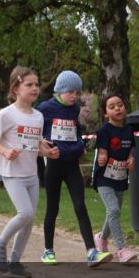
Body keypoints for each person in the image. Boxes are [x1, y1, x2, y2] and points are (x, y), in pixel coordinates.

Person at [0, 66, 53, 278]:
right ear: (16, 88)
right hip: (12, 173)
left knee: (29, 220)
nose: (35, 88)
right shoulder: (6, 114)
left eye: (36, 84)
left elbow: (35, 145)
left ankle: (15, 262)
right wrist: (5, 151)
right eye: (29, 84)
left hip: (31, 173)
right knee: (26, 213)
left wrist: (47, 152)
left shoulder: (38, 116)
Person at [38, 70, 112, 267]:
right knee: (52, 208)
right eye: (71, 92)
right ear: (60, 90)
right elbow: (37, 131)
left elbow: (77, 133)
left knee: (80, 205)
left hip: (72, 165)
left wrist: (79, 146)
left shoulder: (74, 110)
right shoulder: (45, 108)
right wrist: (44, 146)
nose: (75, 96)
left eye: (78, 93)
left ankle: (91, 252)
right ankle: (48, 250)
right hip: (54, 164)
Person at [91, 93, 138, 263]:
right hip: (104, 177)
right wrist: (102, 157)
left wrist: (131, 159)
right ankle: (122, 249)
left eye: (120, 105)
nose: (117, 108)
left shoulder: (128, 130)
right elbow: (102, 151)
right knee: (114, 210)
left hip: (120, 177)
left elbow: (131, 150)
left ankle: (101, 238)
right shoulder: (104, 130)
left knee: (113, 212)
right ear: (106, 113)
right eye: (112, 107)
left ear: (125, 108)